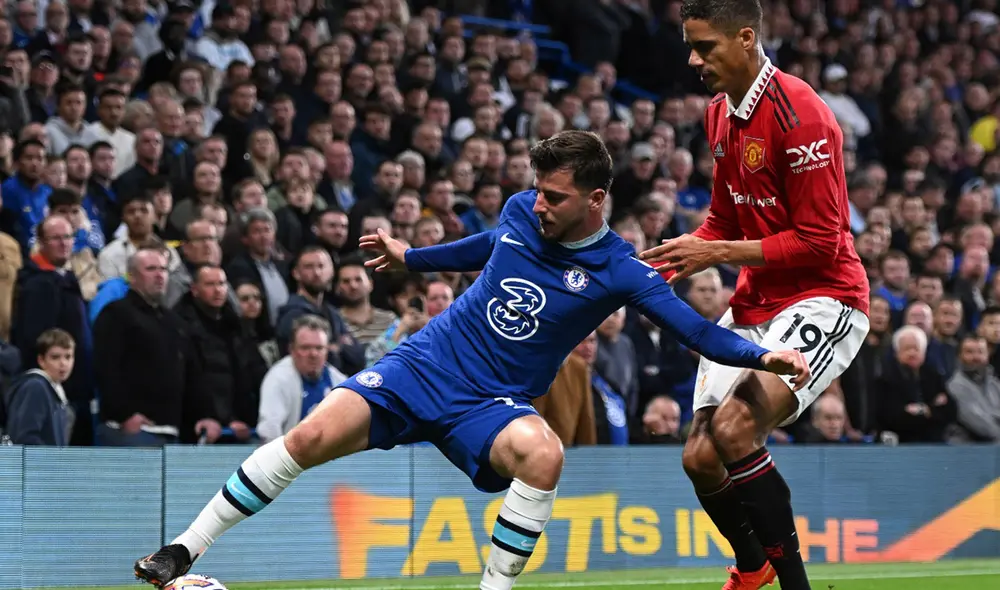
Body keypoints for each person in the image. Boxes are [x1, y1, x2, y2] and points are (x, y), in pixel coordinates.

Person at [134, 130, 808, 590]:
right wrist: (411, 258)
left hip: (491, 404)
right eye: (538, 191)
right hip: (422, 365)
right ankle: (183, 551)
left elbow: (695, 330)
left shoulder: (620, 270)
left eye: (556, 196)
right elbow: (482, 246)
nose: (540, 204)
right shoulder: (522, 210)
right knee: (308, 434)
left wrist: (763, 355)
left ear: (596, 200)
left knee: (545, 455)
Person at [639, 2, 871, 589]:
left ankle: (795, 585)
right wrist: (674, 258)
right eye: (690, 46)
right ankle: (752, 568)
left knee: (736, 430)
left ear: (746, 39)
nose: (694, 60)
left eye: (706, 46)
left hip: (826, 297)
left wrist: (714, 254)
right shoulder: (719, 113)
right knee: (699, 456)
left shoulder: (804, 116)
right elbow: (724, 218)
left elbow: (821, 242)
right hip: (756, 303)